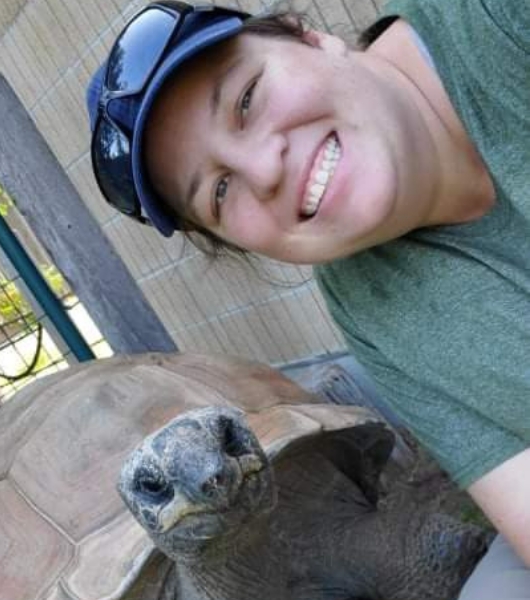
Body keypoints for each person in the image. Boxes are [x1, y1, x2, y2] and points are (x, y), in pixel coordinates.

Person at [86, 0, 530, 596]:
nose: (264, 168)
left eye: (246, 99)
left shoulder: (495, 21)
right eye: (219, 191)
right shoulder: (367, 305)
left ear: (309, 37)